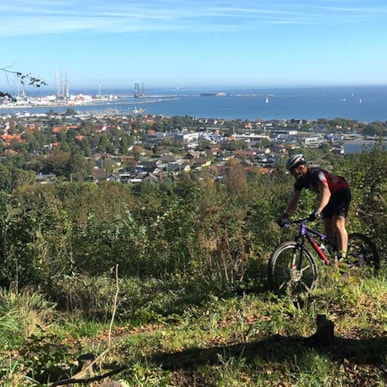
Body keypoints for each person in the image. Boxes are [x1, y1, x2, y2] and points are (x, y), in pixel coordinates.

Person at [278, 154, 351, 260]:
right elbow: (294, 202)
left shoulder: (316, 174)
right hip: (329, 197)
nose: (291, 173)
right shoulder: (300, 182)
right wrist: (285, 216)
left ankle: (343, 258)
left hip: (341, 193)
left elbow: (326, 192)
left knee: (338, 223)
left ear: (300, 168)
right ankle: (332, 257)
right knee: (328, 229)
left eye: (292, 170)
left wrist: (318, 210)